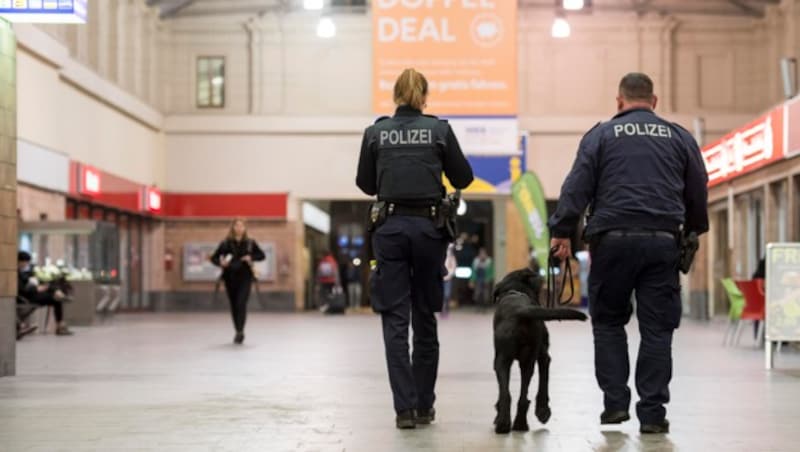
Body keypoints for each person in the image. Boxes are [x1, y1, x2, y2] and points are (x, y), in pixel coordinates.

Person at [548, 73, 709, 435]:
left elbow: (577, 186)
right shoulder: (680, 137)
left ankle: (615, 405)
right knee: (658, 330)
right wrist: (694, 228)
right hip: (662, 242)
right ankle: (652, 415)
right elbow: (698, 187)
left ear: (619, 101)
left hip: (612, 243)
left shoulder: (601, 135)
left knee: (608, 324)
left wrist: (561, 231)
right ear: (654, 101)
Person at [356, 68, 473, 429]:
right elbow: (464, 178)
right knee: (425, 318)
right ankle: (424, 406)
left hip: (389, 230)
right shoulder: (439, 130)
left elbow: (364, 183)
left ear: (395, 96)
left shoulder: (375, 133)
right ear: (424, 98)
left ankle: (403, 409)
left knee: (395, 318)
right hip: (428, 231)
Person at [211, 218, 266, 345]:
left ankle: (240, 331)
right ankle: (237, 330)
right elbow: (214, 257)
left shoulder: (250, 243)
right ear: (233, 228)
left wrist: (250, 257)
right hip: (230, 277)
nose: (239, 228)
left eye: (242, 226)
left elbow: (262, 255)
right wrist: (221, 262)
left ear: (245, 228)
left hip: (245, 277)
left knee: (241, 303)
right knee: (234, 304)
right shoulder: (226, 243)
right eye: (237, 225)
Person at [17, 251, 73, 336]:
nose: (26, 264)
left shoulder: (21, 272)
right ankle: (60, 325)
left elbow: (28, 283)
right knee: (56, 299)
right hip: (27, 297)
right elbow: (22, 290)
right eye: (25, 262)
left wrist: (39, 287)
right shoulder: (15, 273)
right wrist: (37, 289)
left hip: (31, 294)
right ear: (20, 261)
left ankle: (58, 293)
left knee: (51, 288)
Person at [441, 243, 457, 318]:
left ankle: (446, 310)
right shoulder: (440, 256)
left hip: (448, 278)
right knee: (441, 295)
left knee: (447, 295)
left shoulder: (452, 258)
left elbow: (453, 268)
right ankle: (442, 310)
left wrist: (449, 275)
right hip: (441, 278)